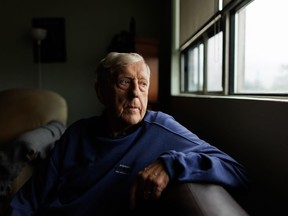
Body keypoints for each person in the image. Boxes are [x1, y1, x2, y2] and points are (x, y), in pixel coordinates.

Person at [9, 52, 248, 215]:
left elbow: (236, 170)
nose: (136, 93)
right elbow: (29, 198)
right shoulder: (77, 133)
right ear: (101, 91)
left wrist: (172, 165)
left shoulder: (161, 128)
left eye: (142, 84)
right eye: (125, 82)